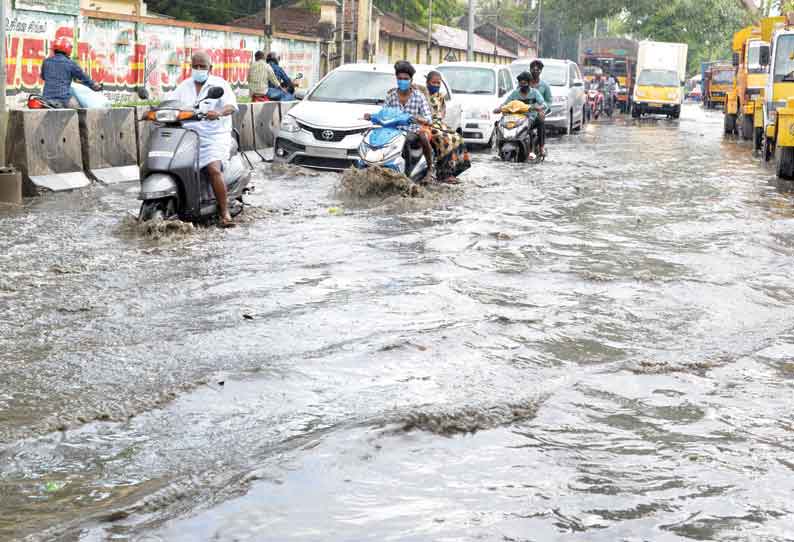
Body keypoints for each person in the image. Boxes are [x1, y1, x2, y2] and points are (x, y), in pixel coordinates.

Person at [167, 50, 239, 227]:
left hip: (214, 136)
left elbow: (231, 106)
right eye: (195, 66)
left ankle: (224, 213)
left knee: (214, 169)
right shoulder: (184, 86)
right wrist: (152, 111)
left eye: (202, 66)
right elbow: (169, 102)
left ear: (210, 68)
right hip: (189, 136)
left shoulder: (219, 85)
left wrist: (219, 112)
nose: (198, 69)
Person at [364, 61, 434, 182]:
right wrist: (371, 116)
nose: (402, 81)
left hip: (412, 132)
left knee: (406, 140)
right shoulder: (391, 96)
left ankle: (414, 174)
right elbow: (383, 114)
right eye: (400, 78)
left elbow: (428, 118)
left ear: (411, 80)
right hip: (392, 131)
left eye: (405, 79)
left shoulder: (419, 96)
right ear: (396, 79)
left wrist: (419, 119)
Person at [422, 71, 470, 183]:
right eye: (433, 83)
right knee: (446, 139)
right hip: (427, 123)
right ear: (427, 82)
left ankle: (453, 171)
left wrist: (440, 117)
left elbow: (442, 110)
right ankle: (443, 174)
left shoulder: (440, 96)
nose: (436, 85)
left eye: (438, 83)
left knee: (457, 137)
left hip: (438, 123)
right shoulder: (423, 94)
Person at [493, 71, 550, 157]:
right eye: (521, 83)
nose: (523, 85)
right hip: (516, 119)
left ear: (529, 83)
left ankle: (541, 148)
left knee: (541, 122)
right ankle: (498, 145)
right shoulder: (515, 93)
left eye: (525, 83)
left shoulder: (535, 93)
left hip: (531, 118)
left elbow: (544, 103)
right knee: (499, 123)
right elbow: (505, 103)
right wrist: (499, 108)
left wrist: (540, 107)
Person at [41, 37, 101, 108]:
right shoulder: (70, 63)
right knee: (79, 109)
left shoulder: (46, 61)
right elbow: (84, 77)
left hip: (46, 98)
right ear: (68, 49)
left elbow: (43, 77)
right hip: (64, 99)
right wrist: (94, 85)